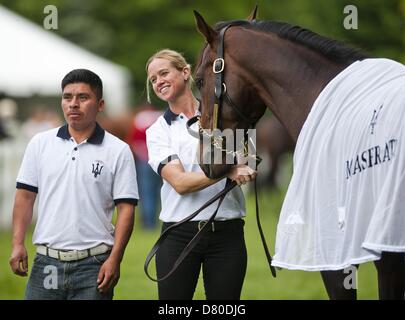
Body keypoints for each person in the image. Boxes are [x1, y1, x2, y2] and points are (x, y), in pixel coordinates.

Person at [9, 69, 139, 300]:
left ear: (100, 105)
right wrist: (18, 244)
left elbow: (126, 209)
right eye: (67, 97)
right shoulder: (40, 143)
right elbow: (25, 197)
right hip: (47, 263)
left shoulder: (118, 150)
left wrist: (115, 259)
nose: (73, 104)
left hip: (94, 265)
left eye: (82, 97)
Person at [145, 49, 257, 300]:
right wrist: (228, 170)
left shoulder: (226, 115)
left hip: (228, 233)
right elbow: (181, 183)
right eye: (153, 79)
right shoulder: (157, 131)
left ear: (185, 72)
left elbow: (248, 163)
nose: (158, 81)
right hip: (179, 233)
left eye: (164, 73)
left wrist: (243, 168)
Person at [126, 103, 162, 230]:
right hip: (160, 161)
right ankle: (158, 220)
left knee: (146, 193)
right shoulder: (160, 117)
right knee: (160, 192)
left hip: (145, 161)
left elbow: (134, 141)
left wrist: (142, 156)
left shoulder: (139, 119)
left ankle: (148, 223)